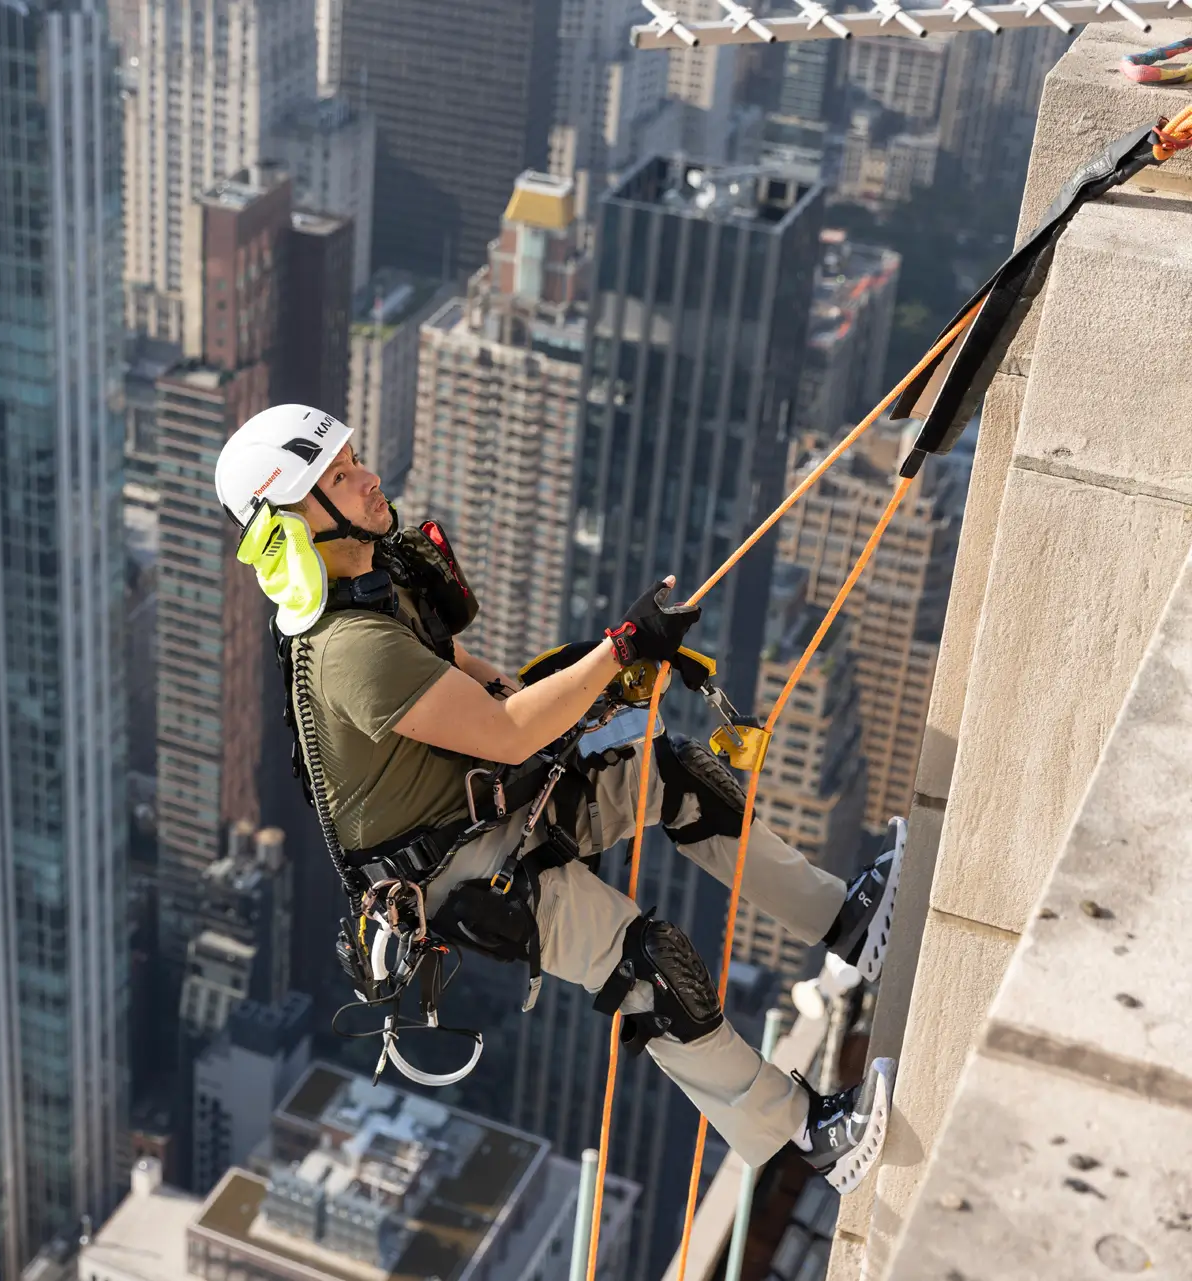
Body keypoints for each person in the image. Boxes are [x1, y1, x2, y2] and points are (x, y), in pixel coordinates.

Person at [215, 404, 904, 1193]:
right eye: (338, 475)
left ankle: (849, 920)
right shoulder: (347, 651)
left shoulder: (378, 582)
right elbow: (504, 732)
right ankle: (811, 1137)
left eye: (355, 458)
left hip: (488, 803)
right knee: (649, 964)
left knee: (670, 775)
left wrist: (592, 689)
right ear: (295, 522)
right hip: (456, 872)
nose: (368, 476)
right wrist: (618, 651)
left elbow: (473, 676)